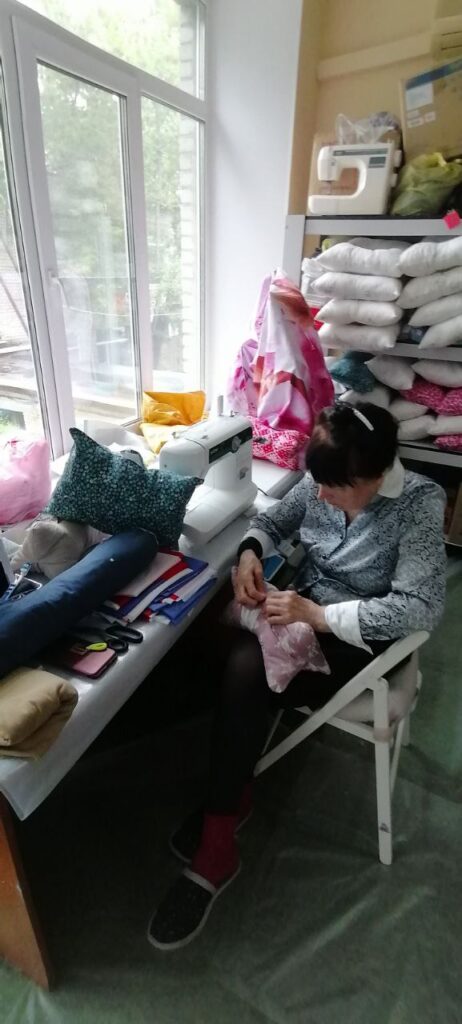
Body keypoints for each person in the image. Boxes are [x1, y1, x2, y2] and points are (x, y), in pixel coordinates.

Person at [148, 401, 446, 950]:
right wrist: (249, 555)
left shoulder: (419, 503)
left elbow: (420, 609)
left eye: (336, 488)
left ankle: (219, 841)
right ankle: (230, 799)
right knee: (216, 644)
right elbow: (271, 520)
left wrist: (320, 616)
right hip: (303, 611)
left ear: (377, 475)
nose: (321, 496)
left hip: (364, 640)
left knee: (245, 669)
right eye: (319, 483)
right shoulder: (325, 476)